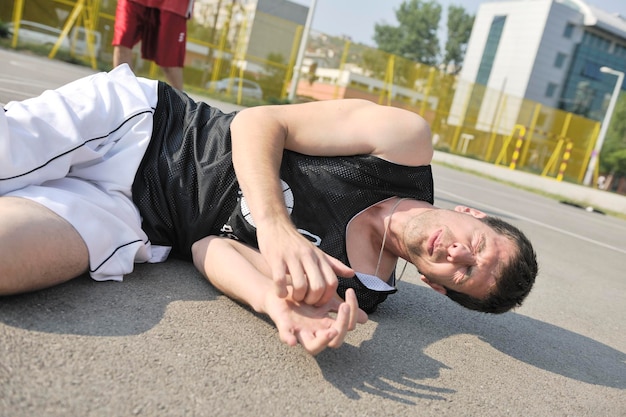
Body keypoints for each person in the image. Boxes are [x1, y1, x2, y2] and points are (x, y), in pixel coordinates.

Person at [0, 66, 538, 355]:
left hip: (138, 222)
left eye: (464, 274)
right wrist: (278, 229)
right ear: (474, 213)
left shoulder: (358, 289)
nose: (460, 255)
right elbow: (257, 123)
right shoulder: (402, 145)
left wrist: (275, 303)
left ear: (437, 286)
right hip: (147, 128)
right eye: (480, 246)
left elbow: (209, 247)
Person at [112, 0, 194, 90]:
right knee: (122, 44)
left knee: (170, 64)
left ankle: (182, 103)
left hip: (173, 3)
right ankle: (125, 95)